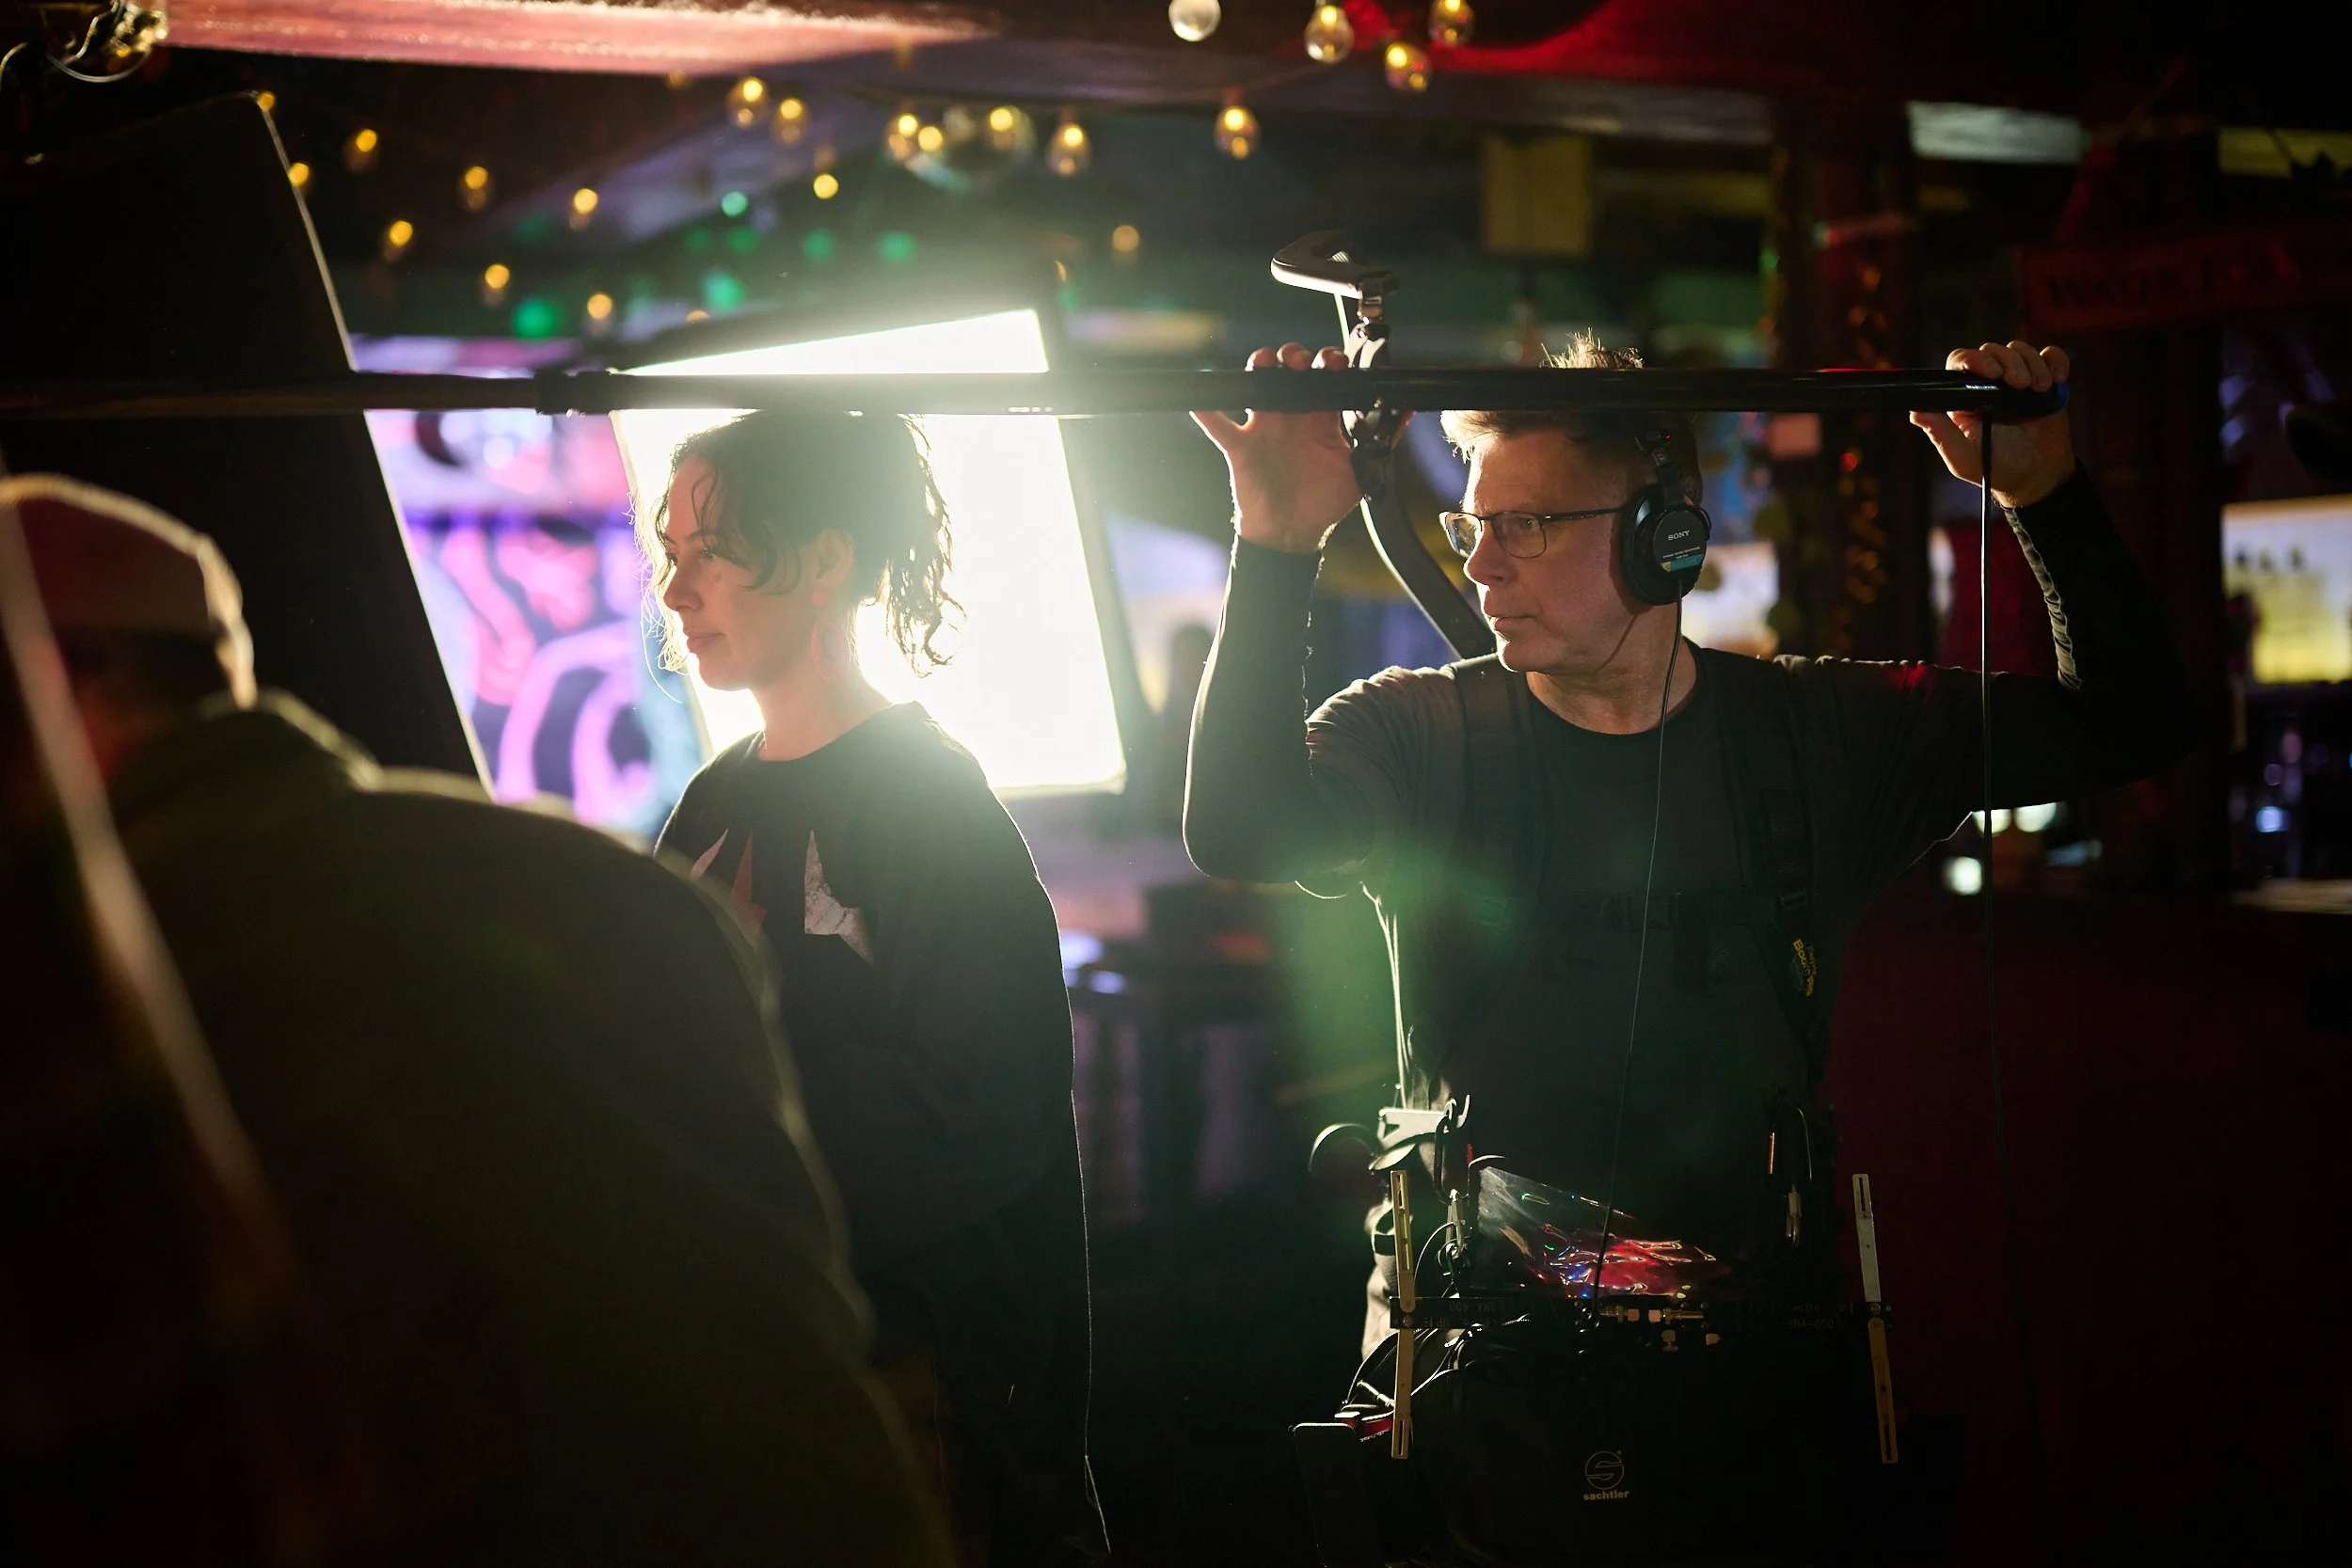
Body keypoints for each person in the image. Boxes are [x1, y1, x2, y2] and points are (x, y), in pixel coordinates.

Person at [6, 471, 954, 1568]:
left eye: (711, 552)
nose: (674, 590)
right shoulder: (617, 883)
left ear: (53, 682)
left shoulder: (89, 972)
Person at [1184, 337, 2192, 1334]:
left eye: (1525, 523)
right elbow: (1240, 830)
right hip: (1478, 1371)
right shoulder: (1416, 730)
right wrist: (1273, 543)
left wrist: (2043, 492)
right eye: (1471, 524)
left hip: (1746, 1372)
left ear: (1659, 536)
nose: (1482, 563)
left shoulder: (1816, 734)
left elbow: (2132, 722)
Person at [644, 412, 1107, 1568]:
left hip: (920, 1385)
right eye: (671, 551)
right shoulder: (708, 802)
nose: (674, 588)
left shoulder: (928, 803)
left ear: (824, 558)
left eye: (709, 550)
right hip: (759, 1365)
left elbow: (981, 1111)